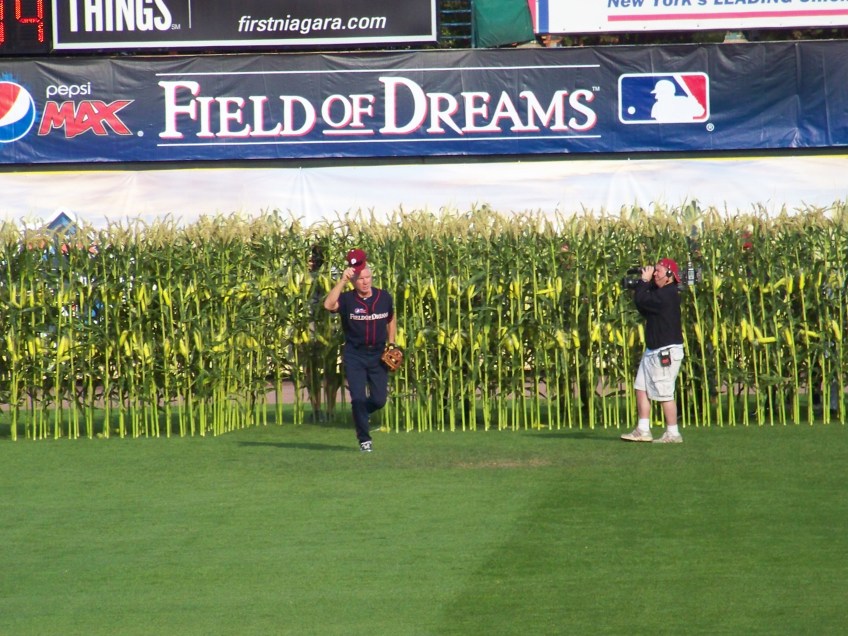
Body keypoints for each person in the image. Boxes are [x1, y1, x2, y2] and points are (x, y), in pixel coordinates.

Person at [323, 248, 396, 452]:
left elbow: (390, 319)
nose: (365, 282)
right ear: (354, 281)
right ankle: (365, 440)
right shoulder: (347, 300)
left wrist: (392, 343)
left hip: (378, 354)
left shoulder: (383, 297)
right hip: (355, 354)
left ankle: (360, 414)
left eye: (368, 277)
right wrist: (342, 281)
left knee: (379, 400)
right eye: (360, 279)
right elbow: (328, 305)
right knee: (357, 398)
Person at [621, 258, 686, 443]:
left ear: (669, 275)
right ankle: (643, 430)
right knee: (641, 388)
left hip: (665, 351)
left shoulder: (668, 294)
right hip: (653, 349)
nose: (655, 274)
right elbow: (643, 306)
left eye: (658, 271)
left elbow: (642, 300)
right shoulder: (661, 292)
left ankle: (673, 433)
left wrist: (643, 281)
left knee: (664, 393)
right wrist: (644, 284)